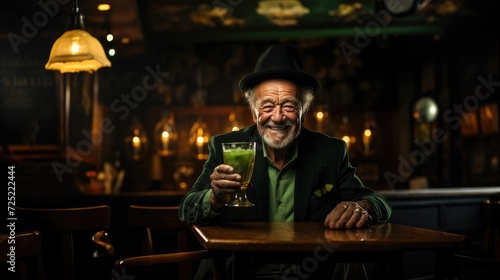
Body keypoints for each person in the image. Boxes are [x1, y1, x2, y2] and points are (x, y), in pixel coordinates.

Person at [178, 44, 392, 279]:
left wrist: (364, 207)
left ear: (304, 111)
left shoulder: (330, 151)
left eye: (289, 106)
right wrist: (214, 198)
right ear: (253, 112)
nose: (278, 117)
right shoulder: (225, 146)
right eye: (267, 106)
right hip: (237, 273)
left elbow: (379, 202)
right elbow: (186, 209)